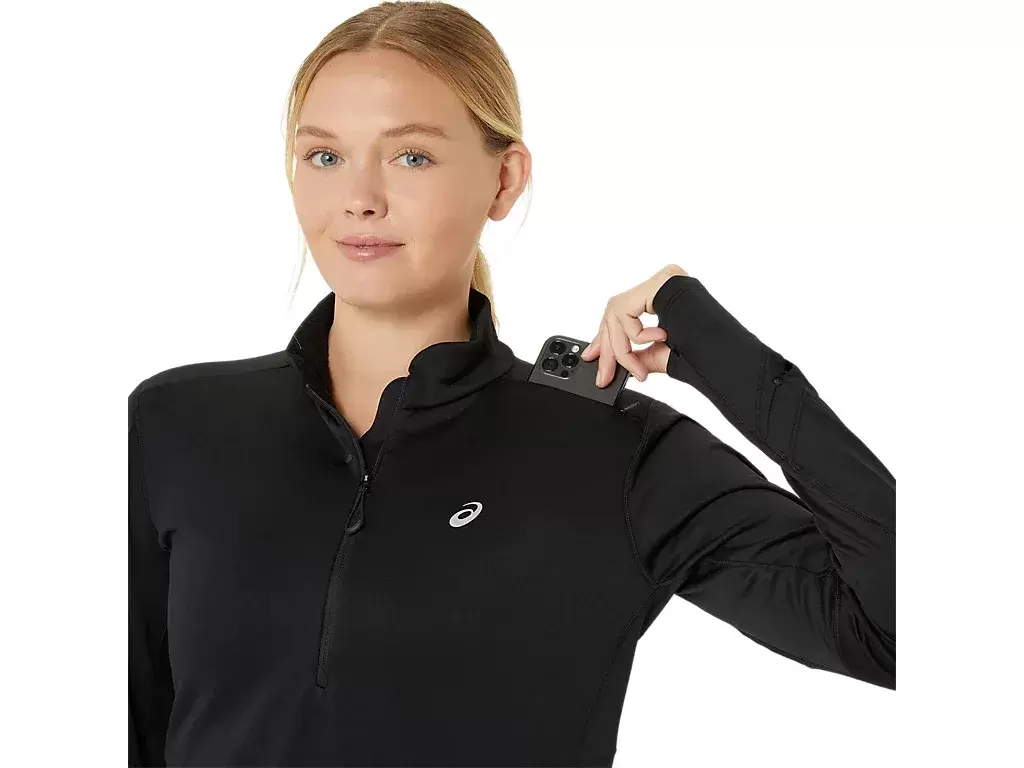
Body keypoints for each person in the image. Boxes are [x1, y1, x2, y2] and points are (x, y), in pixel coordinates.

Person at [128, 2, 896, 766]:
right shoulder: (173, 425)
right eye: (325, 156)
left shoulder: (613, 453)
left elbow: (894, 632)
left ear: (504, 180)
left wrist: (722, 353)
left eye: (411, 157)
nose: (360, 197)